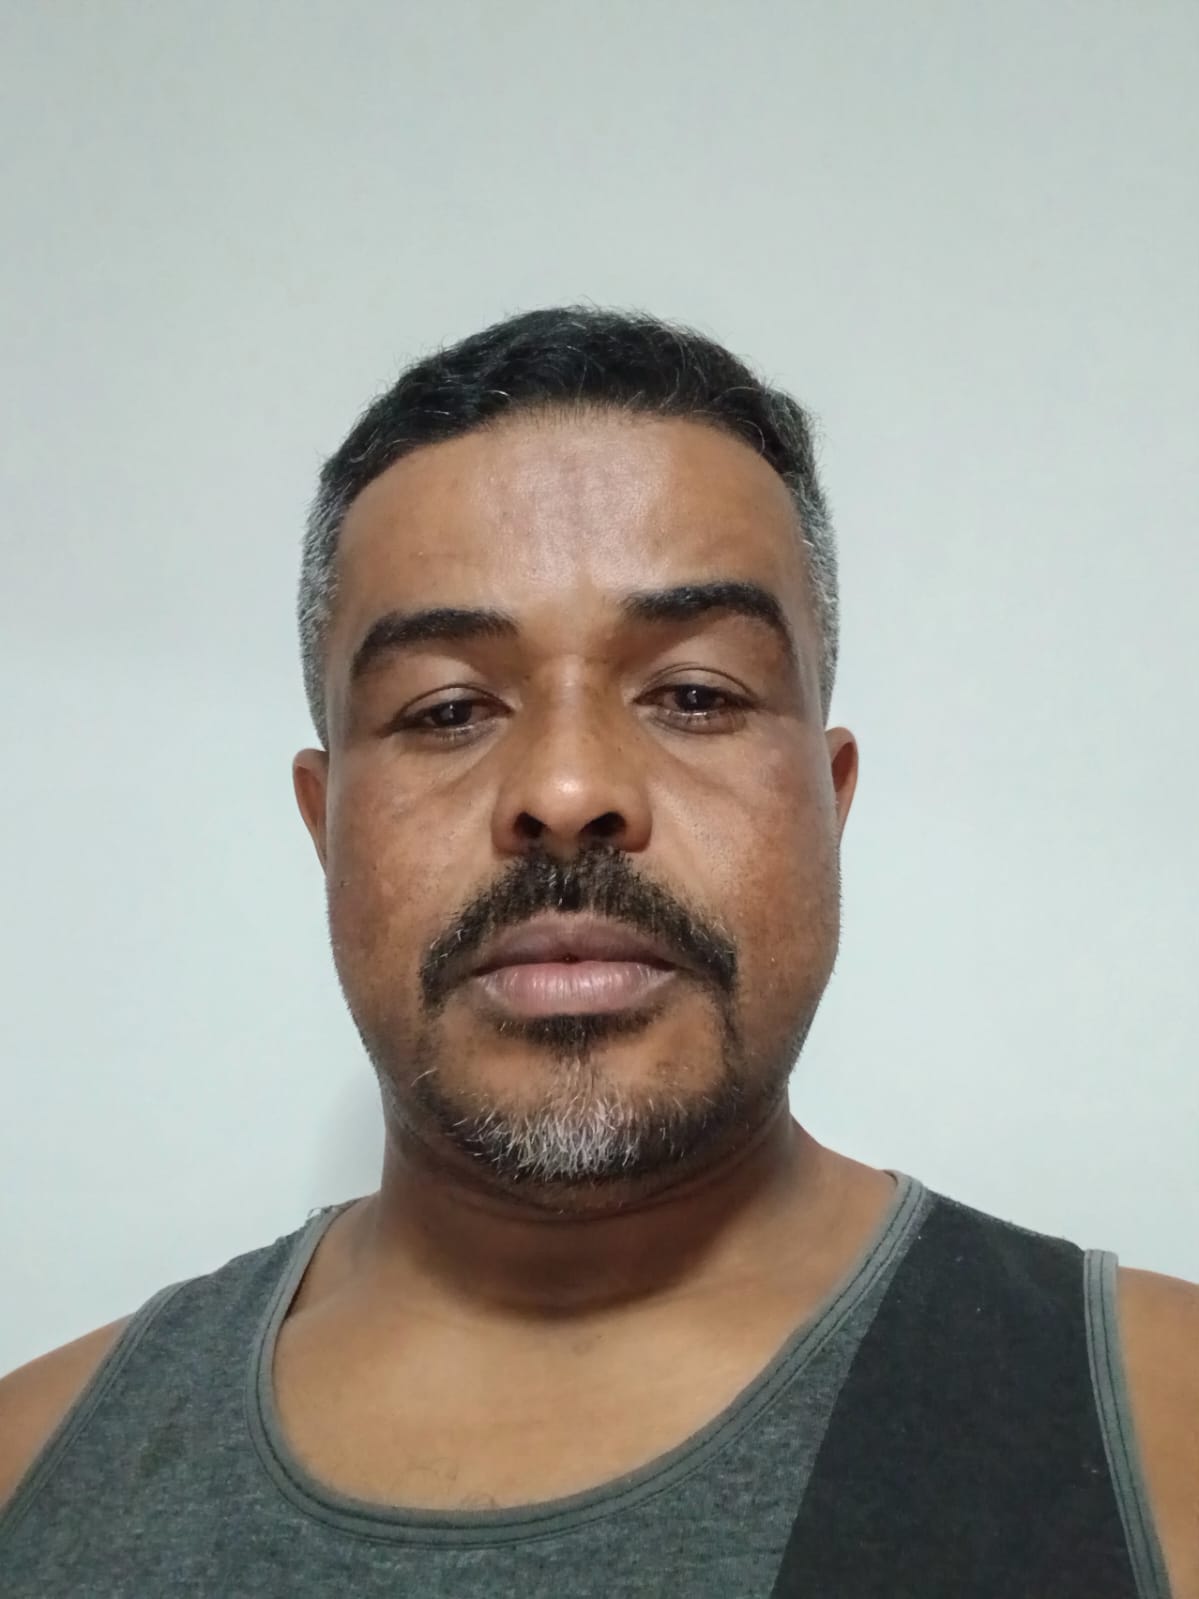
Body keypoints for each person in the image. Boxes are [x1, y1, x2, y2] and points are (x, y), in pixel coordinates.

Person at [1, 306, 1194, 1598]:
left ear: (830, 797)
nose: (567, 791)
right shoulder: (30, 1472)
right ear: (323, 822)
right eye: (447, 709)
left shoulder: (1166, 1432)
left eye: (695, 695)